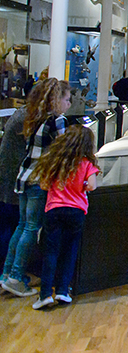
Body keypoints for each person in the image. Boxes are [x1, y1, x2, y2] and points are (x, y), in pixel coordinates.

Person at [1, 78, 72, 297]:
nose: (69, 104)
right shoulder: (53, 120)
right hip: (36, 181)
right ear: (56, 99)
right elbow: (63, 150)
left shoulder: (31, 117)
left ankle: (8, 274)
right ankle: (15, 276)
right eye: (67, 100)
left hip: (22, 179)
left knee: (22, 226)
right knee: (31, 228)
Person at [29, 125, 100, 309]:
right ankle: (62, 290)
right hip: (76, 211)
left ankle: (45, 294)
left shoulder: (55, 161)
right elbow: (92, 185)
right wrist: (81, 184)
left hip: (53, 210)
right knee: (70, 251)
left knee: (51, 251)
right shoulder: (87, 163)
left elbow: (44, 185)